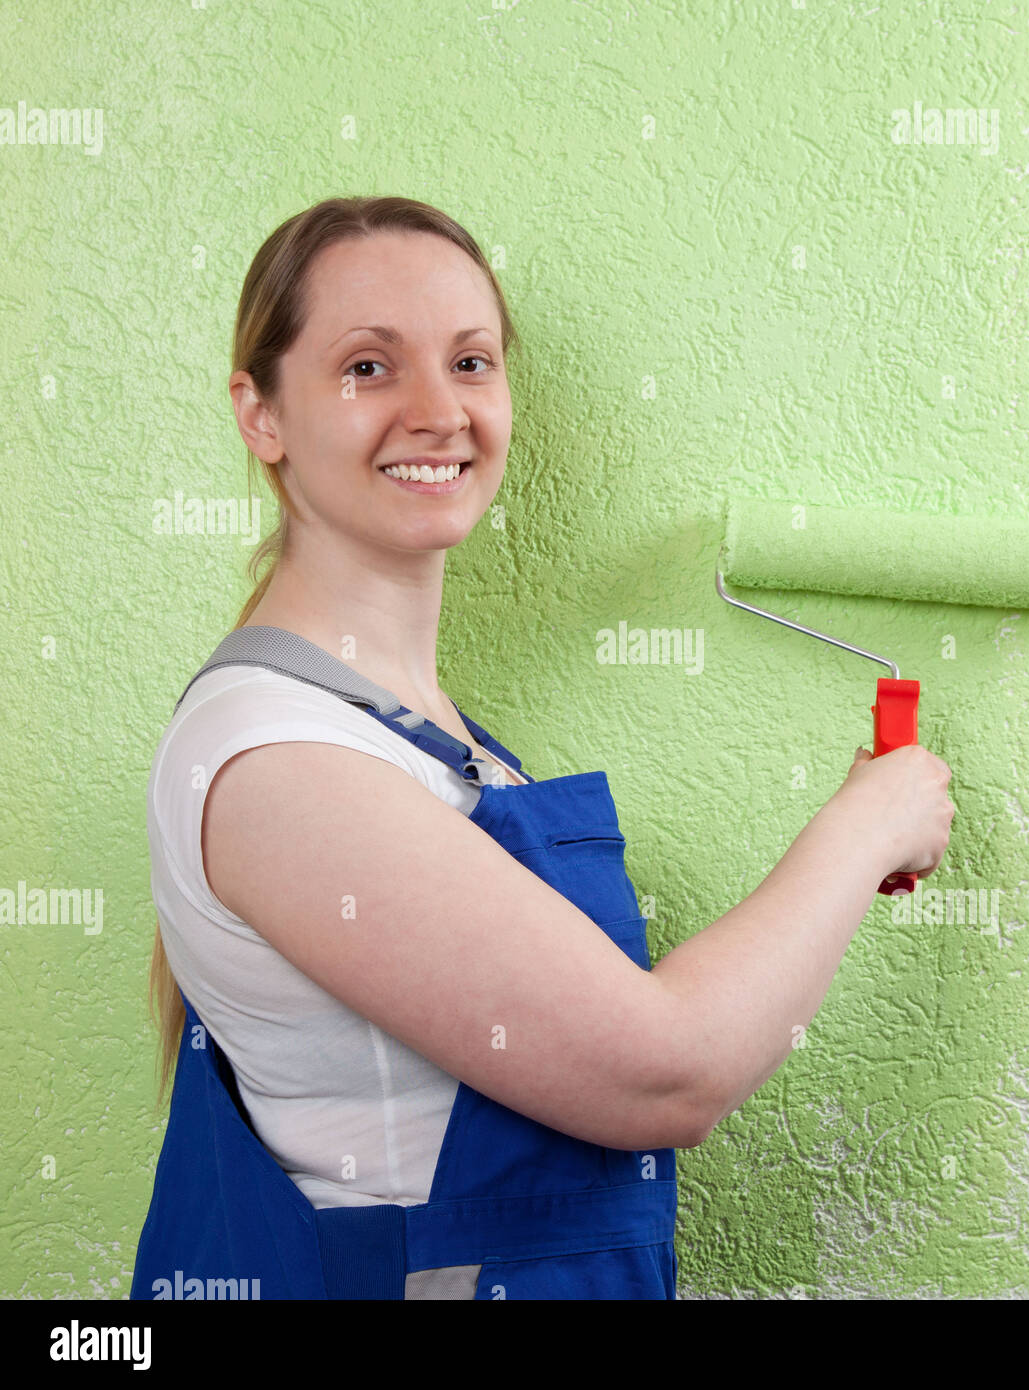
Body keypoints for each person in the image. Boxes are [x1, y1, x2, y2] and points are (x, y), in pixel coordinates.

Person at [131, 195, 955, 1301]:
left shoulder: (430, 736)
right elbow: (666, 1077)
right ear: (261, 413)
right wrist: (866, 828)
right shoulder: (279, 759)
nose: (438, 410)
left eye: (470, 362)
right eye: (369, 367)